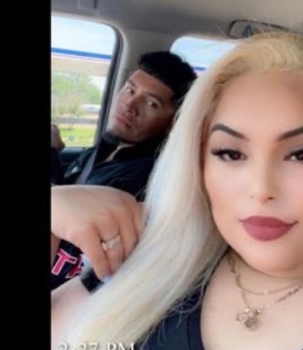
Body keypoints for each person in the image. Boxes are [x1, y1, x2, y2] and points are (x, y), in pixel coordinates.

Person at [51, 32, 303, 350]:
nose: (261, 189)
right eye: (230, 153)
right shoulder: (138, 268)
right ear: (199, 165)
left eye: (302, 153)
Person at [50, 51, 197, 289]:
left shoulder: (143, 180)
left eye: (151, 103)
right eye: (130, 90)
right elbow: (69, 195)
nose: (130, 105)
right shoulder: (103, 149)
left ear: (173, 122)